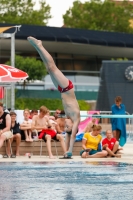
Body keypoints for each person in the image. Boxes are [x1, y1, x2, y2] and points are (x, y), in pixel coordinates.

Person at [27, 36, 80, 158]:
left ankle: (37, 48)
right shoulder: (76, 119)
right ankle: (40, 45)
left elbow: (67, 135)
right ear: (73, 127)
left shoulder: (68, 117)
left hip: (61, 90)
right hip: (67, 87)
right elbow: (72, 136)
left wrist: (66, 153)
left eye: (65, 126)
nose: (65, 125)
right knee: (52, 67)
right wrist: (71, 150)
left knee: (48, 69)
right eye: (67, 126)